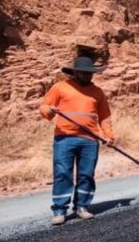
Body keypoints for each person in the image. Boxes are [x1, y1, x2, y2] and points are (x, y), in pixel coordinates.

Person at [39, 56, 114, 225]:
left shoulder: (97, 92)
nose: (87, 76)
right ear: (75, 72)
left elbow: (105, 117)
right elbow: (44, 107)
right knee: (62, 173)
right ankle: (59, 210)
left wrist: (108, 136)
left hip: (90, 139)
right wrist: (49, 111)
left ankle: (82, 207)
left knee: (86, 174)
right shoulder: (60, 87)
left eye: (90, 73)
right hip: (65, 137)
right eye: (84, 73)